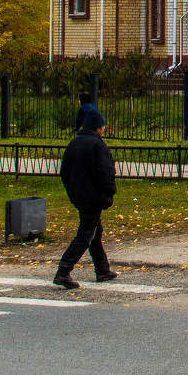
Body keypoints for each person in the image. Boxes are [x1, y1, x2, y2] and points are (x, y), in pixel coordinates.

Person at [53, 108, 118, 289]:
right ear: (98, 127)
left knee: (95, 231)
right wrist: (110, 192)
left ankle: (102, 269)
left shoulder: (74, 143)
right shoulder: (98, 145)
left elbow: (64, 172)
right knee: (86, 233)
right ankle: (63, 271)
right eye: (103, 125)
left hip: (78, 195)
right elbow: (106, 173)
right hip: (93, 197)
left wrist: (73, 191)